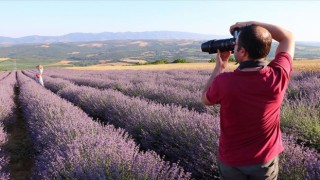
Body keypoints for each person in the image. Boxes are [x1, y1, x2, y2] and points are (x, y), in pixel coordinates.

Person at [201, 21, 295, 179]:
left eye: (236, 45)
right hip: (264, 161)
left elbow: (205, 99)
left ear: (243, 52)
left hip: (232, 161)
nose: (233, 47)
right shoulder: (278, 75)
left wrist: (220, 67)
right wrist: (250, 24)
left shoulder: (224, 81)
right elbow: (288, 37)